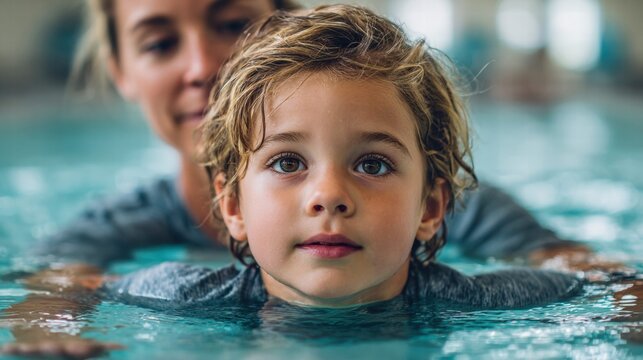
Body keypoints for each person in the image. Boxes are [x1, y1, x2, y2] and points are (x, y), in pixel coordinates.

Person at [31, 0, 599, 272]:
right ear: (122, 72)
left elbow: (592, 281)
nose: (202, 66)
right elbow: (44, 305)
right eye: (159, 44)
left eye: (232, 25)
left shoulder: (453, 207)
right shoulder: (106, 234)